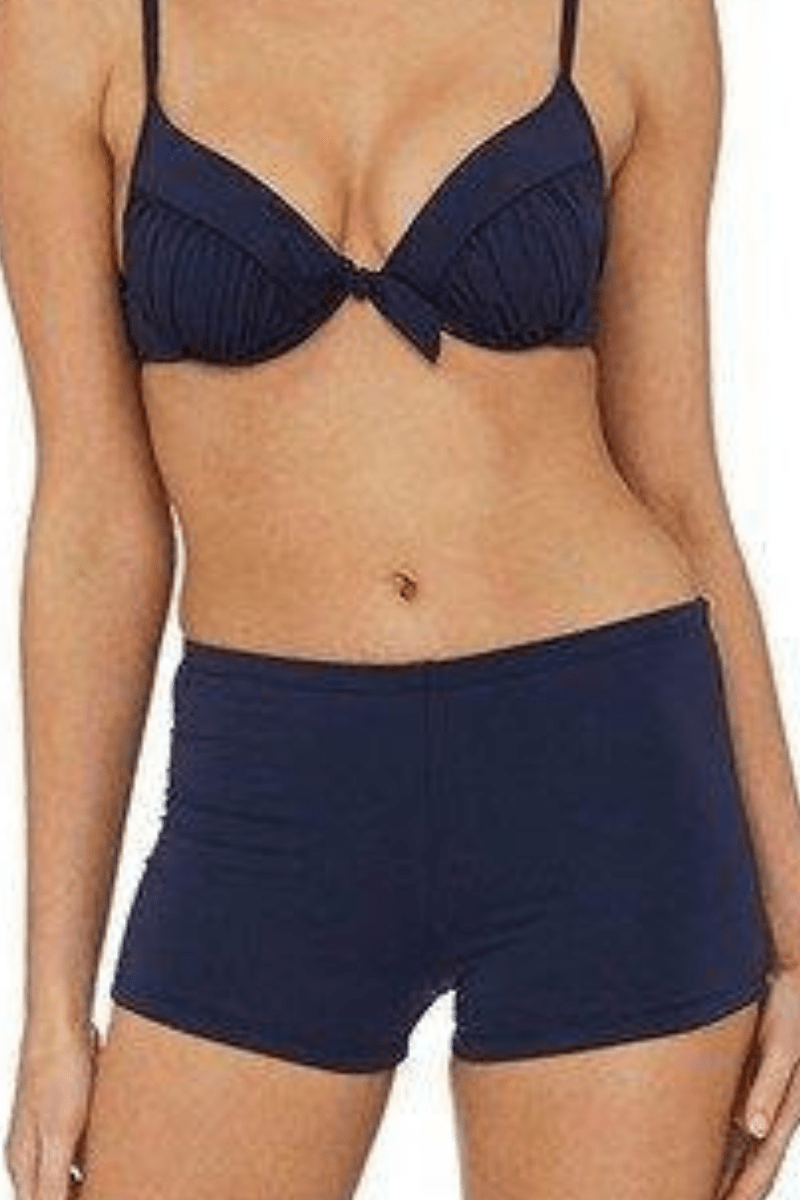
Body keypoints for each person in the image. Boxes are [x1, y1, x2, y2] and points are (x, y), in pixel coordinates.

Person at [1, 0, 799, 1195]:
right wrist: (52, 1011)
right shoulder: (76, 25)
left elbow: (679, 489)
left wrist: (795, 936)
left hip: (605, 776)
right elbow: (94, 525)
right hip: (269, 797)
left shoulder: (633, 14)